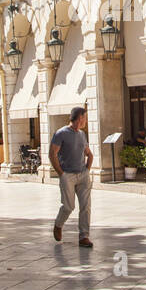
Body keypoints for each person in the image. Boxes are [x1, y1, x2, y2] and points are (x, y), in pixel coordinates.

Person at [50, 106, 94, 248]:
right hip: (67, 174)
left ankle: (84, 237)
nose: (85, 121)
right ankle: (58, 224)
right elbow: (52, 154)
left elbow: (89, 153)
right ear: (79, 118)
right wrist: (61, 174)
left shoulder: (82, 134)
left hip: (82, 174)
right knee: (69, 206)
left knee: (86, 206)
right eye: (85, 118)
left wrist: (87, 169)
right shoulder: (60, 133)